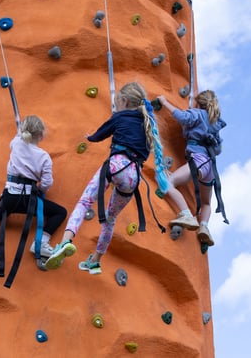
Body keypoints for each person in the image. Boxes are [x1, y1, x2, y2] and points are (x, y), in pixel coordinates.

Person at [45, 81, 168, 275]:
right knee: (110, 219)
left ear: (124, 101)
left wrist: (90, 137)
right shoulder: (148, 123)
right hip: (133, 178)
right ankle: (95, 260)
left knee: (85, 202)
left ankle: (65, 242)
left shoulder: (120, 116)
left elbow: (100, 134)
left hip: (116, 165)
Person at [0, 115, 67, 271]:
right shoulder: (44, 157)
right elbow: (47, 183)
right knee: (60, 212)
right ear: (41, 135)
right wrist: (41, 191)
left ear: (23, 132)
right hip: (29, 199)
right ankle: (41, 242)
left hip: (9, 197)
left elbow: (18, 138)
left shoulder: (16, 143)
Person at [157, 90, 226, 246]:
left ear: (199, 103)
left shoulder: (198, 114)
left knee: (167, 183)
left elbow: (182, 117)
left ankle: (186, 214)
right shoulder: (215, 122)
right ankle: (204, 227)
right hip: (210, 167)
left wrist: (164, 102)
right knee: (206, 203)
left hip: (197, 161)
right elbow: (218, 150)